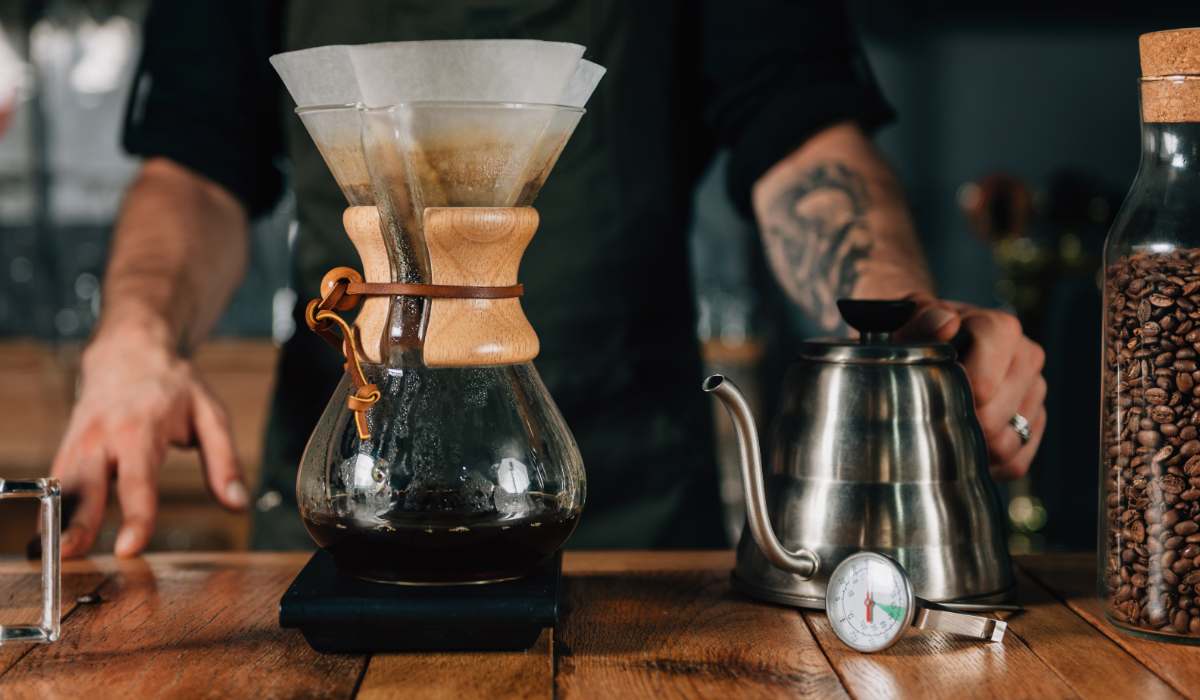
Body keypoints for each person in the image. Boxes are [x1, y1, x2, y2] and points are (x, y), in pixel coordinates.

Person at [51, 1, 1047, 558]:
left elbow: (801, 135)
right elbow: (195, 162)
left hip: (631, 516)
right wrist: (134, 332)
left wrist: (895, 322)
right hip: (350, 488)